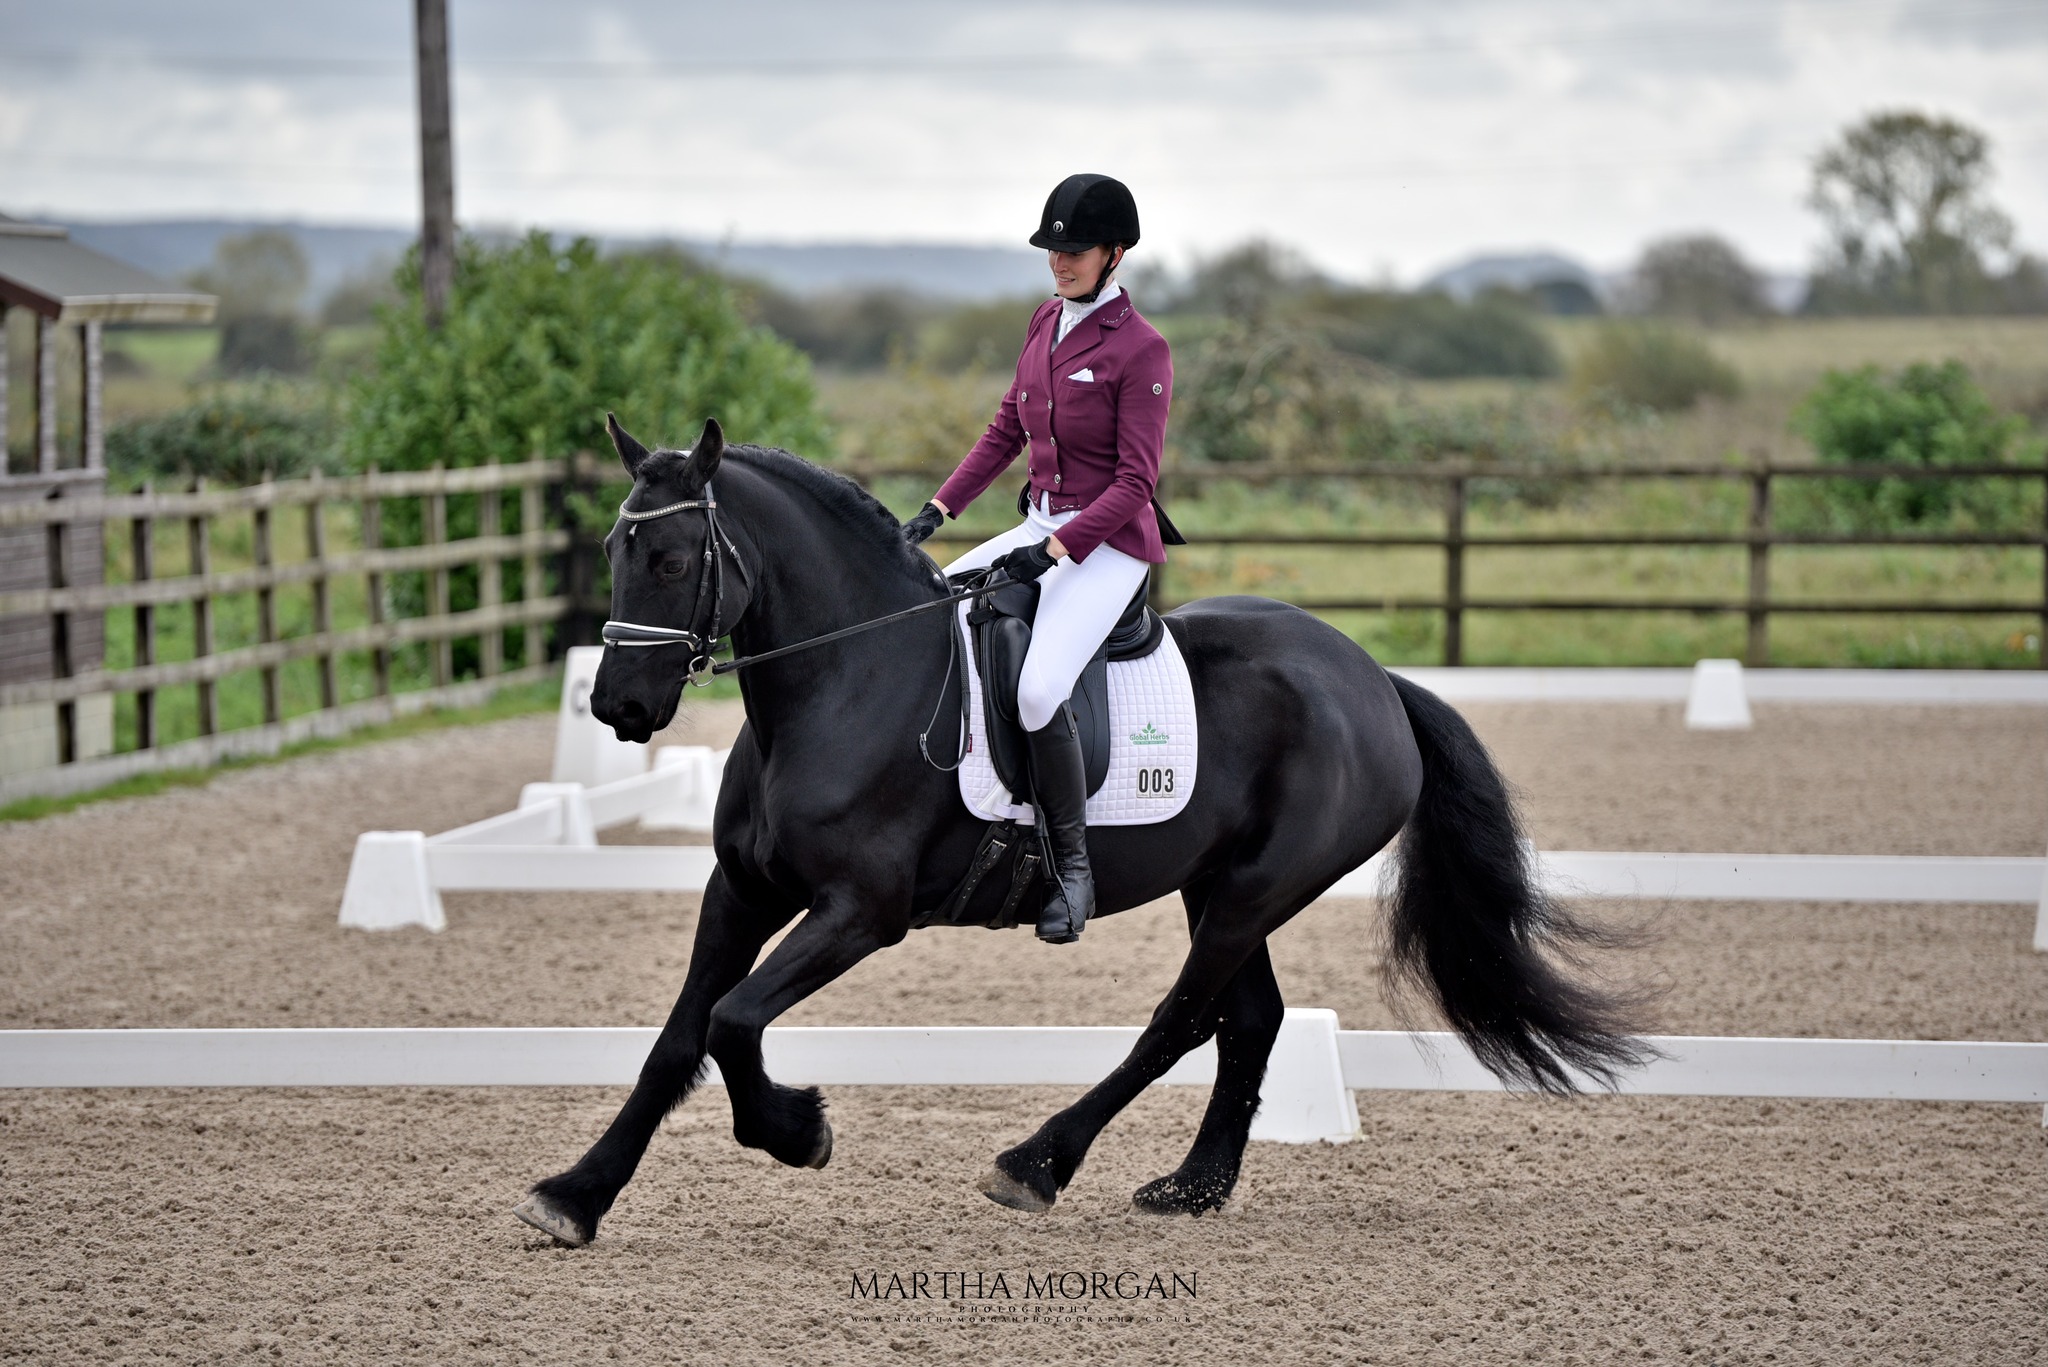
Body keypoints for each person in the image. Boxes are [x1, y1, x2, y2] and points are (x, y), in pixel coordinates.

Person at [901, 173, 1178, 945]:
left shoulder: (1140, 348)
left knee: (1038, 689)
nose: (1059, 261)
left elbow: (1135, 484)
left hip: (1110, 543)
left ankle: (1072, 866)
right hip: (1041, 525)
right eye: (1052, 248)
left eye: (1075, 249)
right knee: (935, 605)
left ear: (1115, 253)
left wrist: (1054, 551)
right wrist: (939, 509)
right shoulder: (1044, 322)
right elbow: (1004, 430)